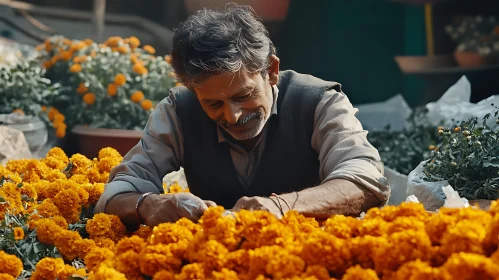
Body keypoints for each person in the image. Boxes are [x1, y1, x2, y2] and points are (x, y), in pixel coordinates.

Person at [94, 4, 390, 228]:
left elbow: (365, 182)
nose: (233, 116)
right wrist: (147, 205)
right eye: (213, 104)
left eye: (243, 96)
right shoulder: (178, 111)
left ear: (271, 71)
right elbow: (117, 193)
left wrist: (283, 207)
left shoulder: (319, 103)